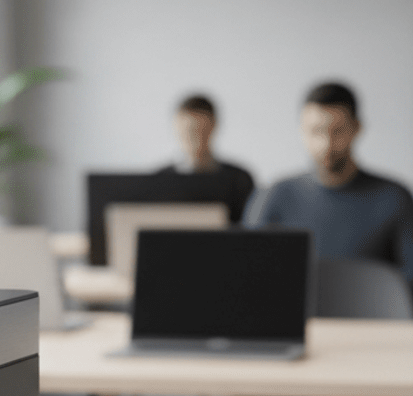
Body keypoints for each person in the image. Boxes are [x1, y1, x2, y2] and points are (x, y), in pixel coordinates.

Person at [249, 81, 413, 288]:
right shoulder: (273, 196)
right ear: (301, 130)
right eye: (316, 131)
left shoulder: (394, 198)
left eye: (337, 131)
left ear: (356, 128)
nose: (326, 144)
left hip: (372, 308)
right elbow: (249, 274)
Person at [155, 94, 255, 222]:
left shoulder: (239, 180)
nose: (193, 139)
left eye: (199, 131)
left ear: (213, 126)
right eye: (187, 132)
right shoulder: (159, 180)